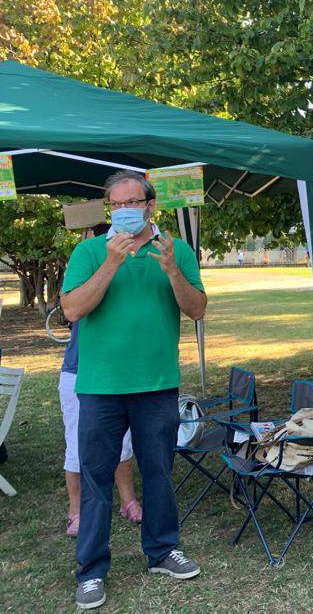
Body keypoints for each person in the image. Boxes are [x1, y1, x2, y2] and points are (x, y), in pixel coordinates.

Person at [61, 171, 207, 610]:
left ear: (150, 205)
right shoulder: (88, 251)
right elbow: (72, 309)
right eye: (117, 204)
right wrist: (111, 263)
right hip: (101, 387)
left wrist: (171, 270)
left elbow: (197, 309)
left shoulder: (176, 250)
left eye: (133, 201)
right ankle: (91, 570)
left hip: (157, 384)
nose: (125, 210)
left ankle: (163, 551)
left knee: (159, 472)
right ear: (111, 209)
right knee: (97, 478)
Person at [60, 223, 142, 537]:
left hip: (119, 376)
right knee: (77, 445)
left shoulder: (129, 272)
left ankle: (128, 500)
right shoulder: (85, 268)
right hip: (80, 373)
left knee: (122, 445)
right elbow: (72, 309)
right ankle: (76, 511)